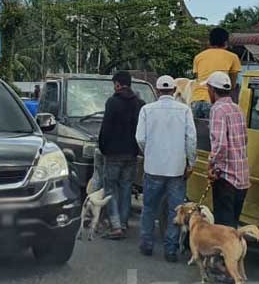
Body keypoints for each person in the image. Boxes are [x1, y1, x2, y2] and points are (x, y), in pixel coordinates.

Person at [135, 75, 197, 262]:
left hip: (153, 168)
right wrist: (191, 162)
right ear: (174, 89)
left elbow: (140, 138)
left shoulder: (147, 109)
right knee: (175, 211)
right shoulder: (184, 110)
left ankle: (146, 244)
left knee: (149, 208)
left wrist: (150, 153)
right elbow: (191, 139)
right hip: (177, 170)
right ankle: (171, 249)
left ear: (158, 89)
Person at [98, 71, 145, 239]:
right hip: (131, 154)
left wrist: (102, 147)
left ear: (118, 84)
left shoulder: (112, 102)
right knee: (126, 189)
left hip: (113, 153)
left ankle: (116, 226)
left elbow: (106, 128)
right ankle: (124, 224)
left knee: (110, 189)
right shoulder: (140, 104)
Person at [206, 71, 250, 229]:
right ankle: (234, 253)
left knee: (223, 229)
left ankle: (224, 254)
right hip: (242, 177)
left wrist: (212, 164)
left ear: (212, 90)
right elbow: (244, 139)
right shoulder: (237, 109)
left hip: (226, 178)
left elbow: (220, 145)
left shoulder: (218, 109)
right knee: (232, 226)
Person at [190, 27, 242, 119]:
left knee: (198, 132)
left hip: (196, 100)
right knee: (216, 131)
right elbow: (232, 85)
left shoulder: (198, 57)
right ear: (226, 42)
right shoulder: (233, 57)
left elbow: (198, 79)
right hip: (215, 102)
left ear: (209, 42)